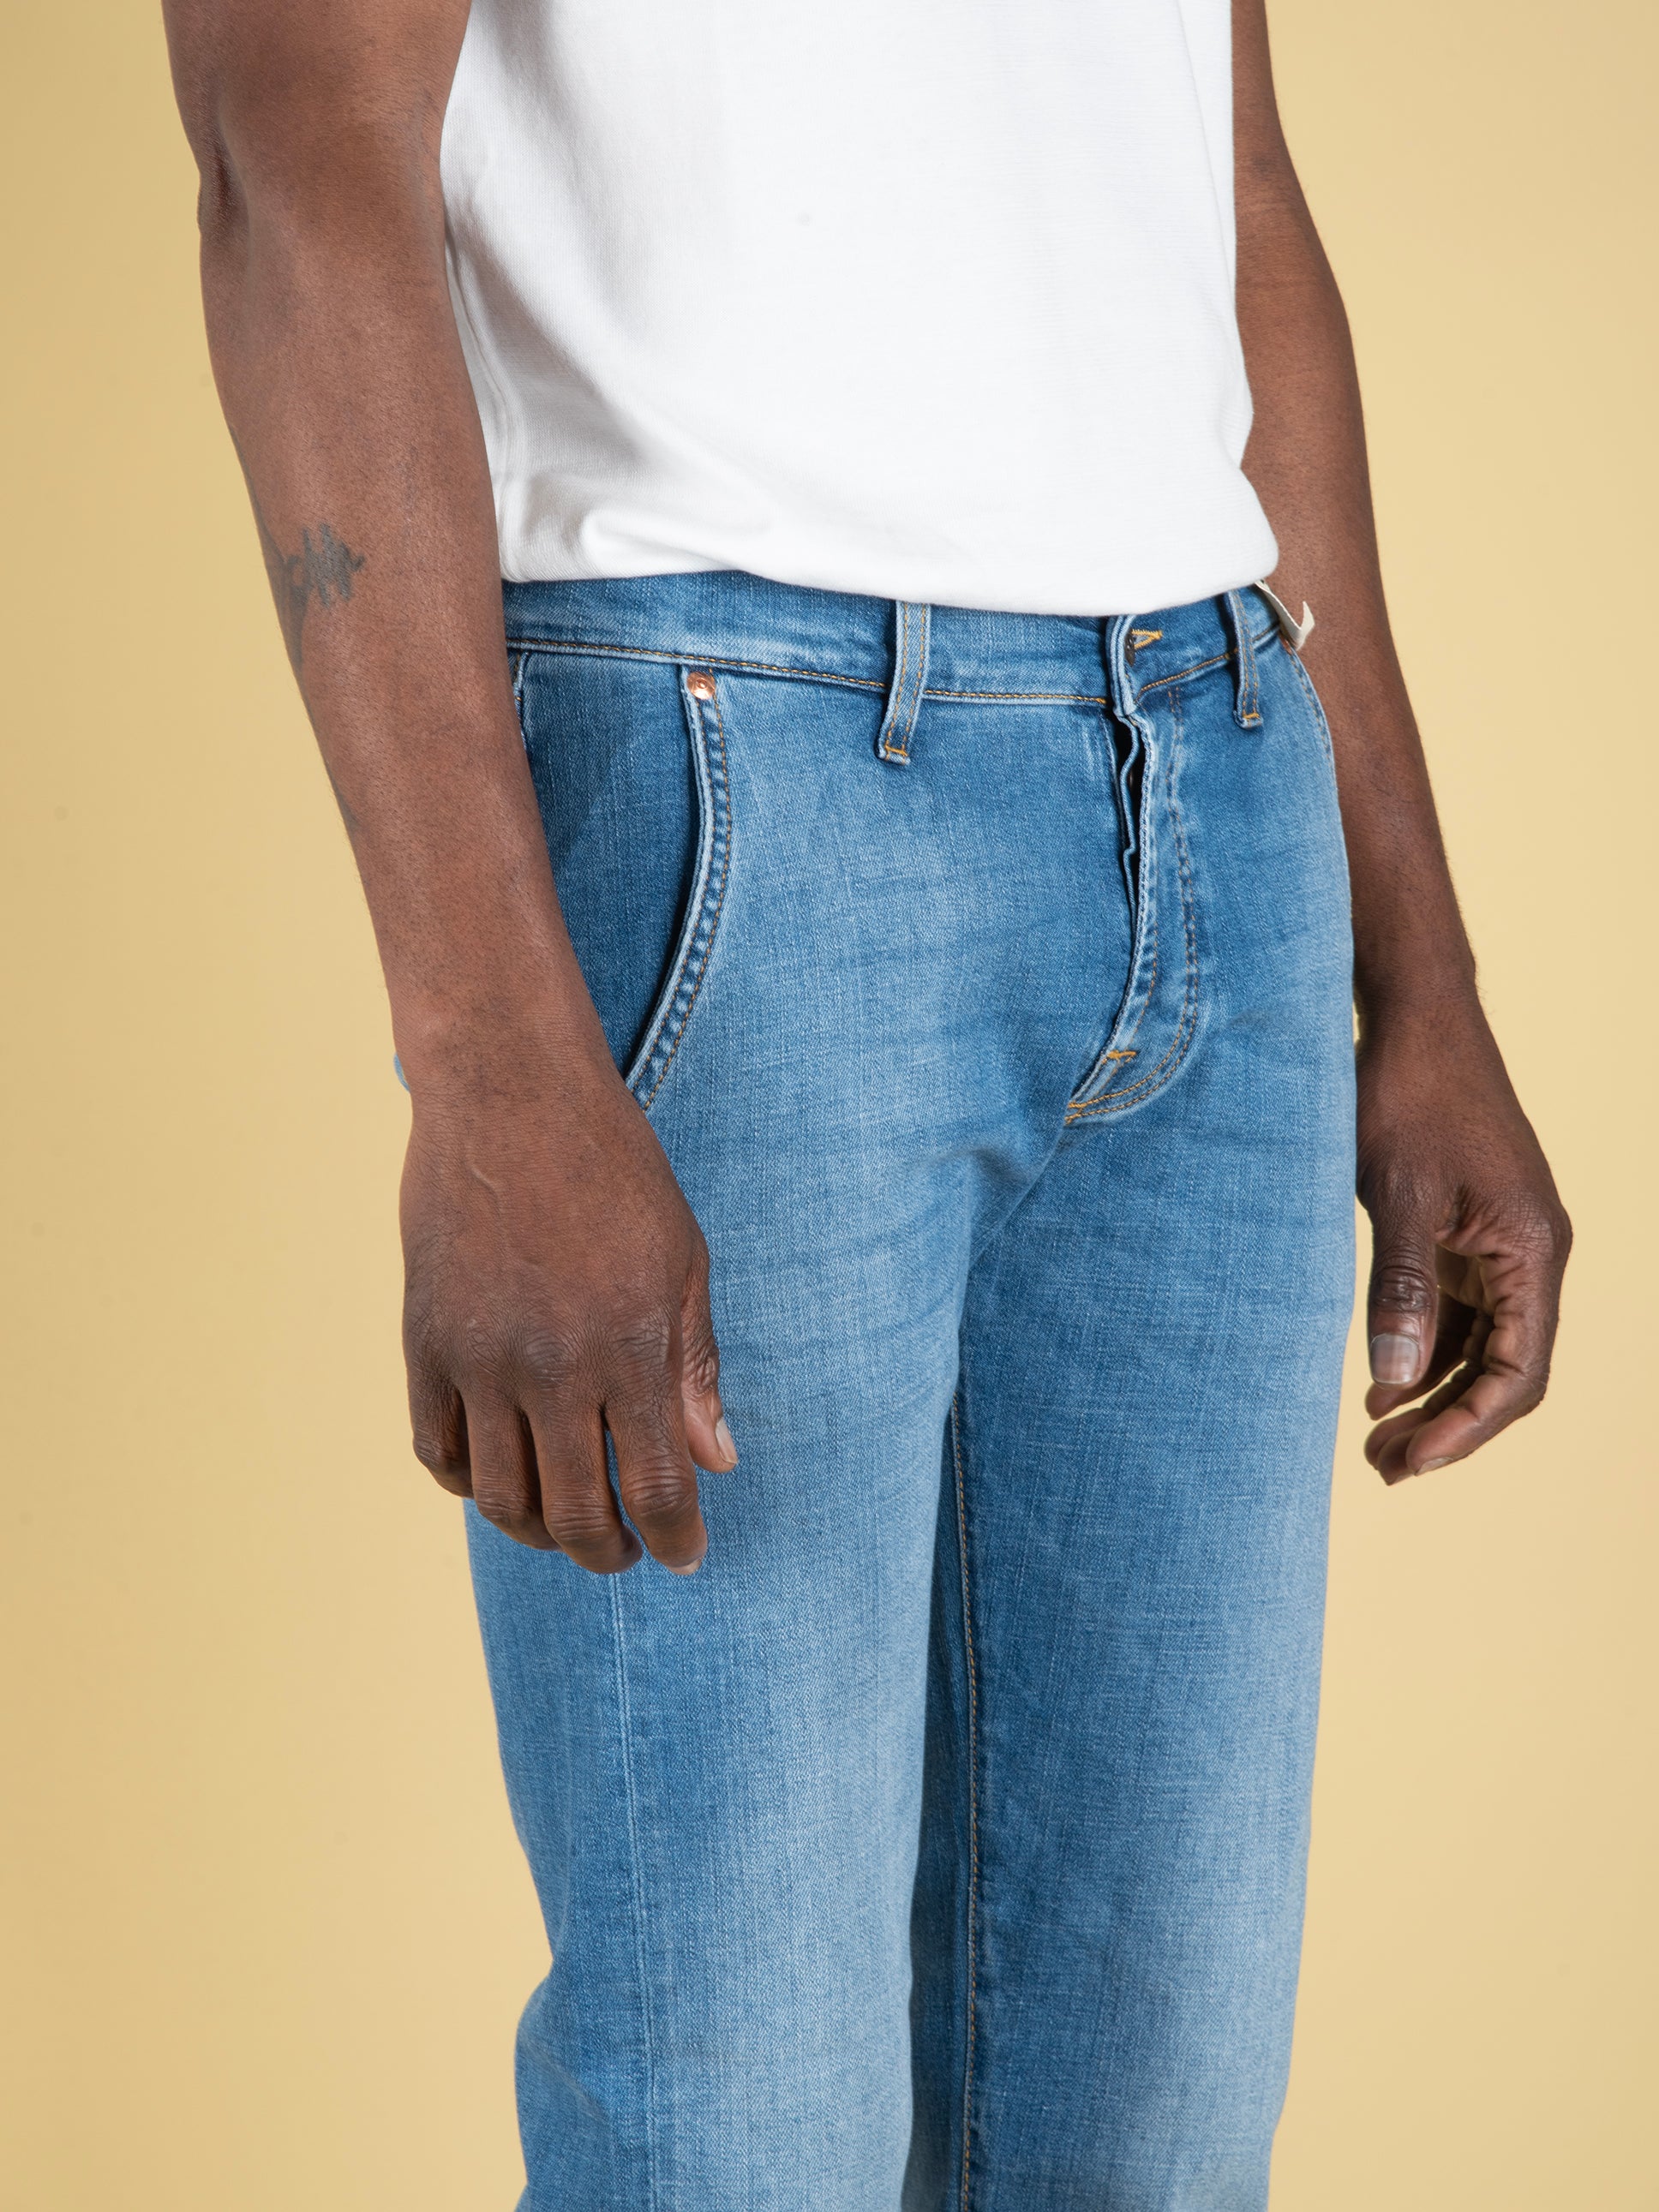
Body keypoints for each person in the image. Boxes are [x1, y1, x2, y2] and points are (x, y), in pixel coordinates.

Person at [161, 0, 1571, 2203]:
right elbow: (297, 158)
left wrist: (1425, 970)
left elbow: (1231, 182)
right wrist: (491, 1055)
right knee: (737, 2126)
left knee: (1148, 2128)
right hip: (733, 760)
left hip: (1212, 745)